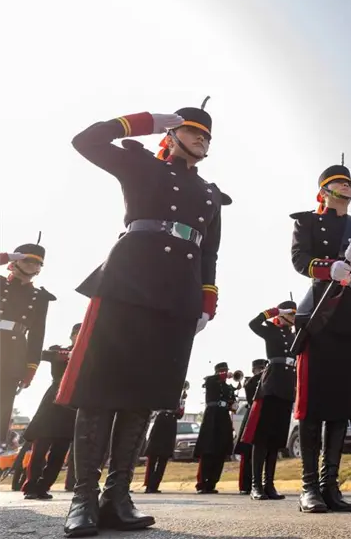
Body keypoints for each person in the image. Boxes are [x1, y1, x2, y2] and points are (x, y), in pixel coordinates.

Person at [57, 101, 228, 538]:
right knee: (100, 389)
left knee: (144, 395)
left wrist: (205, 302)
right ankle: (82, 498)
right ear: (170, 136)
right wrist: (146, 121)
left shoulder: (210, 193)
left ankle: (117, 496)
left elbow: (210, 254)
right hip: (129, 279)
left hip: (178, 292)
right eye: (192, 131)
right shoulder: (140, 165)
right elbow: (86, 141)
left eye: (207, 136)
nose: (201, 139)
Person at [291, 163, 351, 513]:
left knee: (341, 406)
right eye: (340, 182)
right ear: (325, 189)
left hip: (350, 315)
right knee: (313, 403)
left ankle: (331, 486)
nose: (347, 185)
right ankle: (309, 486)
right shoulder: (307, 221)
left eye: (350, 182)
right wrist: (329, 268)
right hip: (319, 313)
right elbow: (299, 259)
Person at [241, 302, 298, 501]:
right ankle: (256, 485)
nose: (293, 316)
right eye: (291, 313)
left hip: (287, 388)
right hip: (271, 387)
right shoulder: (270, 330)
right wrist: (273, 312)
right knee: (262, 438)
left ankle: (269, 484)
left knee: (275, 440)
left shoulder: (295, 334)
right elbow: (253, 323)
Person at [0, 242, 55, 449]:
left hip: (14, 355)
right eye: (28, 260)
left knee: (2, 409)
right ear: (16, 261)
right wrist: (6, 256)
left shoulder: (40, 297)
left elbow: (37, 335)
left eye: (38, 263)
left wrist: (31, 367)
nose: (33, 265)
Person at [22, 324, 81, 500]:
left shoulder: (88, 355)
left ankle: (44, 486)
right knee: (40, 449)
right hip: (52, 403)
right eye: (77, 334)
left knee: (60, 451)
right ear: (72, 336)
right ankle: (31, 486)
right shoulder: (59, 351)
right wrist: (61, 355)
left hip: (71, 405)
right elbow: (41, 354)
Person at [195, 363, 235, 494]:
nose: (225, 373)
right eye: (223, 371)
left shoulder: (228, 387)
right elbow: (210, 380)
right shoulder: (211, 381)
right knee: (208, 450)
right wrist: (221, 375)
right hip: (212, 417)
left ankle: (212, 483)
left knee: (220, 451)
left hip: (223, 417)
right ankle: (202, 483)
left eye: (226, 371)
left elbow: (232, 403)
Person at [143, 385, 187, 494]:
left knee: (163, 458)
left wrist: (182, 401)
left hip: (171, 423)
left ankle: (155, 485)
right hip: (161, 420)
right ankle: (149, 485)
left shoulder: (179, 397)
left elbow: (180, 415)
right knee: (153, 457)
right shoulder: (162, 393)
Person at [235, 360, 267, 495]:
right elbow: (249, 392)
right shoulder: (250, 381)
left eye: (263, 368)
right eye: (259, 369)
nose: (262, 371)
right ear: (254, 370)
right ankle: (244, 485)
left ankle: (260, 483)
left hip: (264, 416)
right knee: (246, 453)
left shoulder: (268, 379)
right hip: (251, 416)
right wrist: (260, 375)